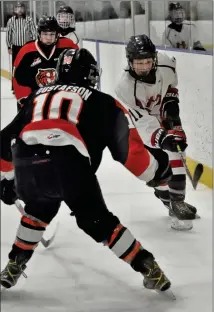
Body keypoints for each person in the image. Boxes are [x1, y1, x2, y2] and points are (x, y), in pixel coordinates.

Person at [0, 48, 173, 294]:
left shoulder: (37, 95)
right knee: (98, 221)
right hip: (68, 164)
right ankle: (147, 266)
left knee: (38, 208)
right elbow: (131, 155)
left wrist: (6, 181)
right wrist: (159, 171)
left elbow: (4, 141)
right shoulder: (103, 102)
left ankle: (14, 265)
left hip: (27, 162)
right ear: (91, 75)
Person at [115, 34, 197, 231]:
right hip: (138, 126)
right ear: (130, 62)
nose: (143, 66)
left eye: (147, 61)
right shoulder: (124, 87)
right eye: (138, 63)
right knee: (157, 168)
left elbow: (170, 89)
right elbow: (141, 121)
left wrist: (173, 116)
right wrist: (162, 137)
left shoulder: (166, 65)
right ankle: (167, 199)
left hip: (160, 115)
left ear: (155, 59)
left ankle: (177, 201)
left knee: (177, 150)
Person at [12, 15, 79, 111]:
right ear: (39, 34)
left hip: (60, 100)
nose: (48, 38)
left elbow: (79, 69)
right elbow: (18, 78)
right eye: (45, 34)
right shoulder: (26, 51)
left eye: (52, 34)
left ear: (57, 34)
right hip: (35, 101)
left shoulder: (68, 47)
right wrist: (25, 98)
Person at [6, 2, 37, 92]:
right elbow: (9, 34)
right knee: (15, 67)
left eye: (21, 8)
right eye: (17, 8)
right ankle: (15, 87)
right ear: (14, 10)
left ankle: (28, 85)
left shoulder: (29, 19)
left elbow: (34, 33)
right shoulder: (11, 20)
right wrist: (9, 46)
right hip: (16, 47)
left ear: (24, 9)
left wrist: (34, 45)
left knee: (28, 66)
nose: (19, 10)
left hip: (27, 47)